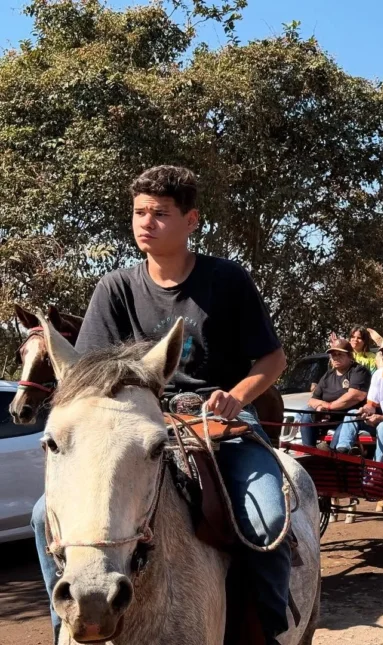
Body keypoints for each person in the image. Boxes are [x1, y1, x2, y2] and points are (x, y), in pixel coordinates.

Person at [31, 166, 291, 644]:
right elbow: (90, 377)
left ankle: (270, 627)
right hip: (134, 426)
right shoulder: (116, 288)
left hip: (220, 422)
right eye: (139, 212)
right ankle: (65, 624)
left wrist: (236, 396)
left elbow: (273, 359)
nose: (145, 222)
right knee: (40, 515)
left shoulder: (227, 281)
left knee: (267, 517)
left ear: (191, 221)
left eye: (160, 213)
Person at [297, 338, 371, 446]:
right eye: (333, 355)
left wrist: (330, 407)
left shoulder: (358, 371)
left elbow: (355, 396)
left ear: (350, 356)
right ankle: (309, 452)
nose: (335, 358)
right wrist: (322, 406)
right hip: (327, 419)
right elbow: (312, 400)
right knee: (307, 415)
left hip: (348, 420)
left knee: (335, 446)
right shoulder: (328, 375)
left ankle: (335, 456)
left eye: (339, 354)